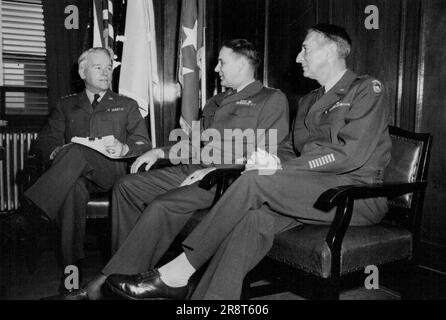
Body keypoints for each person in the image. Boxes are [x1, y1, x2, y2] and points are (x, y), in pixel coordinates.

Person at [101, 23, 393, 300]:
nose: (297, 57)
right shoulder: (309, 100)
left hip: (354, 196)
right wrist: (261, 159)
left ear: (330, 50)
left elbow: (349, 154)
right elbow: (291, 150)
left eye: (305, 49)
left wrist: (277, 168)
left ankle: (179, 271)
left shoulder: (365, 89)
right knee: (252, 222)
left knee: (255, 181)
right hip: (310, 191)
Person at [53, 38, 290, 300]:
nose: (215, 69)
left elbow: (270, 157)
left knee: (161, 205)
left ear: (243, 62)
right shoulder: (215, 102)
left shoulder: (270, 99)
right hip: (192, 167)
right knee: (126, 186)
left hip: (226, 180)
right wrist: (160, 151)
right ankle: (127, 273)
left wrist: (218, 169)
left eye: (222, 62)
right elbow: (194, 144)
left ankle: (107, 282)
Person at [21, 47, 152, 290]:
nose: (105, 73)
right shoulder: (66, 105)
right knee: (72, 190)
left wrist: (125, 148)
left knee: (77, 149)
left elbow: (144, 142)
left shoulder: (126, 104)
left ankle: (38, 203)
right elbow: (45, 142)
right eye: (98, 67)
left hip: (111, 173)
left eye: (108, 68)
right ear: (83, 72)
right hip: (72, 176)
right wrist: (57, 152)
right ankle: (73, 273)